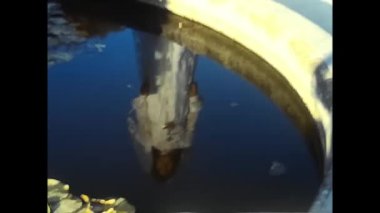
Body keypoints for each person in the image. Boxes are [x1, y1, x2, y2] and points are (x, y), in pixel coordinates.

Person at [128, 31, 202, 182]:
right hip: (178, 104)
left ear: (155, 163)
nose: (164, 164)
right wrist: (193, 99)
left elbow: (142, 118)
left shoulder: (148, 142)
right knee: (178, 72)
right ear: (174, 166)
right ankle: (182, 39)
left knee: (161, 70)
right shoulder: (183, 142)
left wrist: (143, 97)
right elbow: (192, 121)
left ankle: (163, 37)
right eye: (168, 168)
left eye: (160, 167)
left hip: (156, 103)